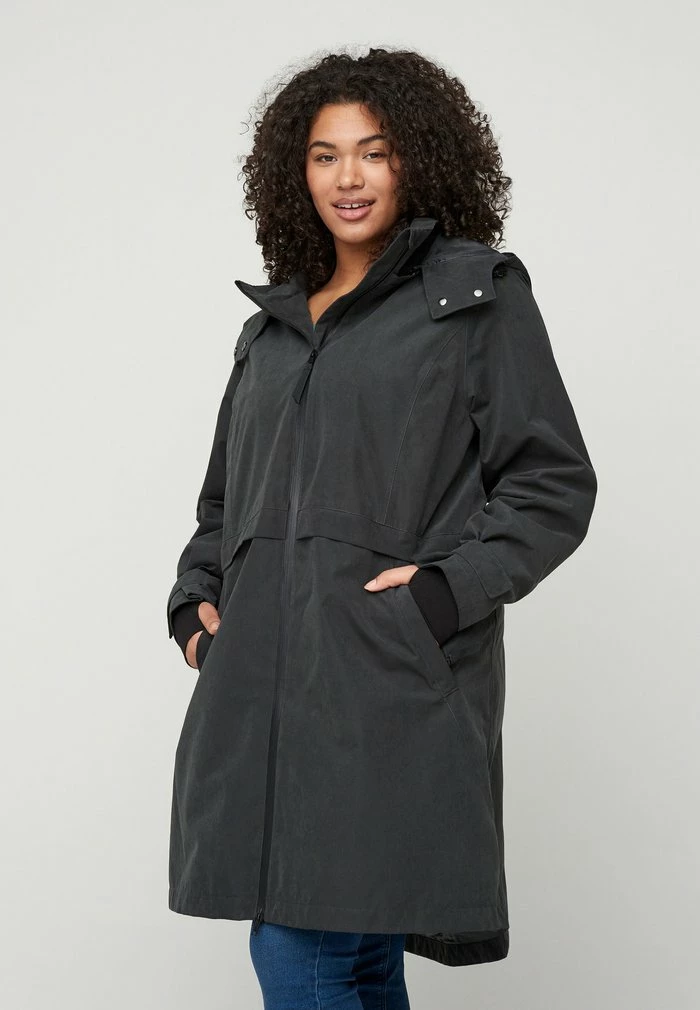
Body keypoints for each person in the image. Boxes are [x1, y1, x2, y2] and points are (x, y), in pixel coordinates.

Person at [166, 46, 597, 1008]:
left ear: (418, 159)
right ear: (296, 172)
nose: (348, 178)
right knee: (353, 962)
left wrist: (441, 595)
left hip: (387, 694)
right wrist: (195, 607)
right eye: (325, 155)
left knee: (304, 953)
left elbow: (552, 482)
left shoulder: (472, 298)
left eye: (374, 151)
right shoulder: (271, 330)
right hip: (259, 700)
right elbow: (223, 503)